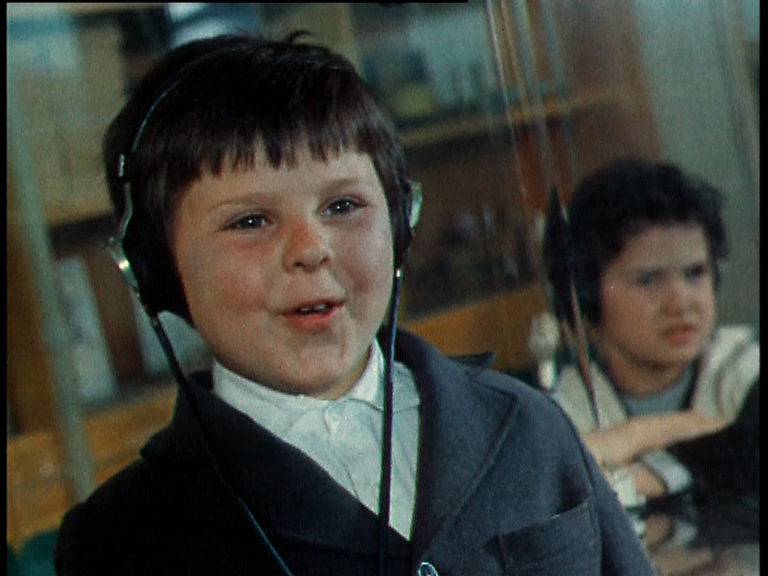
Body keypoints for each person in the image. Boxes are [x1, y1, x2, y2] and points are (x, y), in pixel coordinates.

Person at [54, 33, 655, 575]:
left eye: (342, 206)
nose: (310, 250)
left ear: (400, 222)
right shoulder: (121, 538)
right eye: (251, 221)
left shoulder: (526, 424)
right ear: (157, 270)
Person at [544, 158, 759, 505]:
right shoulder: (567, 404)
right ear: (588, 294)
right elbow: (550, 483)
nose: (681, 303)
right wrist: (662, 430)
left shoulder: (742, 371)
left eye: (695, 273)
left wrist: (625, 460)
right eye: (648, 279)